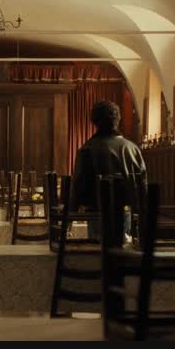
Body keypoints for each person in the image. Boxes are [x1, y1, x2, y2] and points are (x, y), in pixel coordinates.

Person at [71, 100, 147, 242]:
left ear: (94, 121)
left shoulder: (86, 149)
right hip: (126, 211)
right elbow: (142, 186)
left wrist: (70, 216)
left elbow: (78, 186)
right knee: (121, 245)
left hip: (96, 213)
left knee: (98, 248)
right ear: (117, 120)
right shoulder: (133, 149)